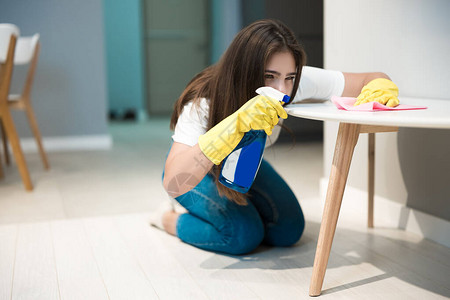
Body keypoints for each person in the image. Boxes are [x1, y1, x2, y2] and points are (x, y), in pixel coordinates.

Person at [150, 19, 399, 255]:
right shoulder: (203, 103)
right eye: (269, 76)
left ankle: (241, 215)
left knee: (288, 230)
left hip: (244, 165)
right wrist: (232, 127)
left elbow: (371, 77)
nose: (282, 90)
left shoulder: (294, 82)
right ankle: (167, 219)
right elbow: (174, 181)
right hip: (196, 172)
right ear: (243, 72)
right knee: (241, 235)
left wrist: (381, 87)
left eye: (289, 77)